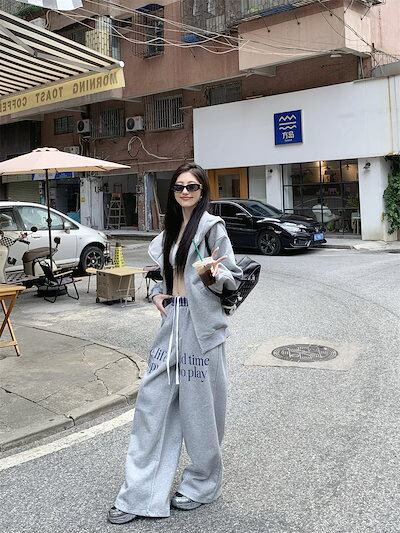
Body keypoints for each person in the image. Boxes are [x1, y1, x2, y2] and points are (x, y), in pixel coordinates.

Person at [108, 163, 243, 525]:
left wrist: (212, 271)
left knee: (202, 413)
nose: (185, 192)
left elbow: (232, 276)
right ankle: (139, 494)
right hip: (172, 322)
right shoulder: (170, 229)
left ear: (202, 191)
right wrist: (157, 293)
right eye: (179, 187)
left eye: (192, 187)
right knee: (151, 408)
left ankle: (203, 484)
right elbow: (163, 275)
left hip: (203, 329)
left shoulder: (212, 228)